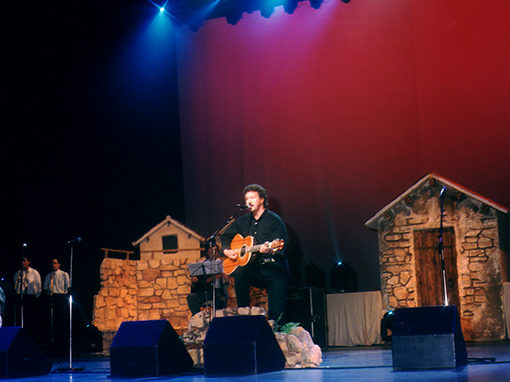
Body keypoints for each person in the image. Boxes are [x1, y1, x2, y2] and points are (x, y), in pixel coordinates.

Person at [221, 184, 289, 323]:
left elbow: (281, 246)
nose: (248, 201)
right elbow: (225, 236)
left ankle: (277, 331)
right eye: (246, 198)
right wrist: (226, 250)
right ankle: (245, 315)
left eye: (252, 197)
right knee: (240, 272)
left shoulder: (274, 220)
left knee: (277, 315)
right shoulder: (242, 221)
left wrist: (270, 249)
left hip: (273, 269)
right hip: (254, 269)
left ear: (262, 199)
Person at [187, 242, 228, 315]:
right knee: (191, 297)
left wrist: (225, 278)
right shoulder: (202, 264)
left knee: (221, 299)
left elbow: (226, 283)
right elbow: (200, 281)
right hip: (205, 290)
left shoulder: (222, 263)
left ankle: (218, 320)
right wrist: (195, 279)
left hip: (218, 291)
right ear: (207, 252)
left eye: (215, 250)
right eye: (210, 250)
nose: (213, 252)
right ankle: (197, 318)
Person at [43, 258, 70, 353]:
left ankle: (63, 343)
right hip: (52, 297)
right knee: (53, 320)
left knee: (62, 320)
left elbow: (67, 287)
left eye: (55, 263)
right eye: (52, 263)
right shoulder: (48, 276)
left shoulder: (64, 274)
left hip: (61, 297)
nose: (53, 265)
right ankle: (54, 343)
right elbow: (46, 288)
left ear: (59, 264)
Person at [13, 256, 42, 340]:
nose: (23, 263)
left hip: (30, 297)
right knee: (20, 318)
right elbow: (16, 285)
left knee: (30, 319)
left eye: (25, 261)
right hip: (21, 297)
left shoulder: (34, 272)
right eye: (22, 261)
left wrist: (36, 295)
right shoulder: (18, 273)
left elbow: (38, 285)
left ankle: (31, 337)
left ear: (29, 262)